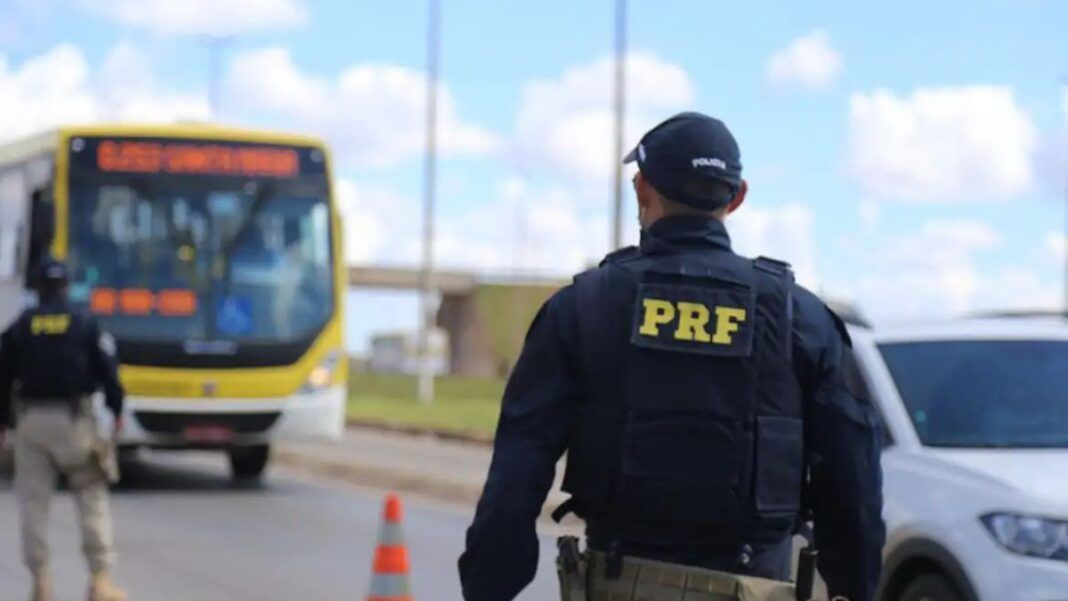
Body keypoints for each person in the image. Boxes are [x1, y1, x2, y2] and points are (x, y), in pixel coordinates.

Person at [459, 112, 885, 601]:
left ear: (642, 189)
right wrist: (856, 591)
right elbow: (853, 490)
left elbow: (517, 473)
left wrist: (486, 590)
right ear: (737, 197)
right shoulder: (802, 318)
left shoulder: (583, 308)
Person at [0, 259, 128, 601]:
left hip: (31, 424)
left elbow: (2, 377)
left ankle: (41, 583)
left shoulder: (21, 326)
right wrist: (115, 409)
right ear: (68, 286)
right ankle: (100, 581)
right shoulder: (86, 323)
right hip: (75, 423)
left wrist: (3, 423)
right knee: (92, 499)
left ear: (37, 288)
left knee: (33, 505)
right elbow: (108, 370)